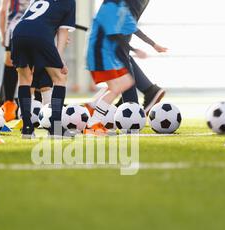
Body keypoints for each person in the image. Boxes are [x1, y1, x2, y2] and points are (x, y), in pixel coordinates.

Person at [11, 0, 76, 138]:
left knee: (24, 79)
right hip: (40, 34)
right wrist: (59, 60)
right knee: (60, 77)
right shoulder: (70, 2)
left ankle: (27, 128)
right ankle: (56, 127)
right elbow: (62, 31)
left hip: (18, 32)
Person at [85, 0, 146, 134]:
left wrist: (153, 45)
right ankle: (92, 124)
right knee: (117, 86)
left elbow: (131, 28)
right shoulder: (111, 7)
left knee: (125, 82)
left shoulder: (119, 7)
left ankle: (92, 108)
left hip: (104, 53)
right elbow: (114, 35)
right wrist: (135, 49)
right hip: (100, 53)